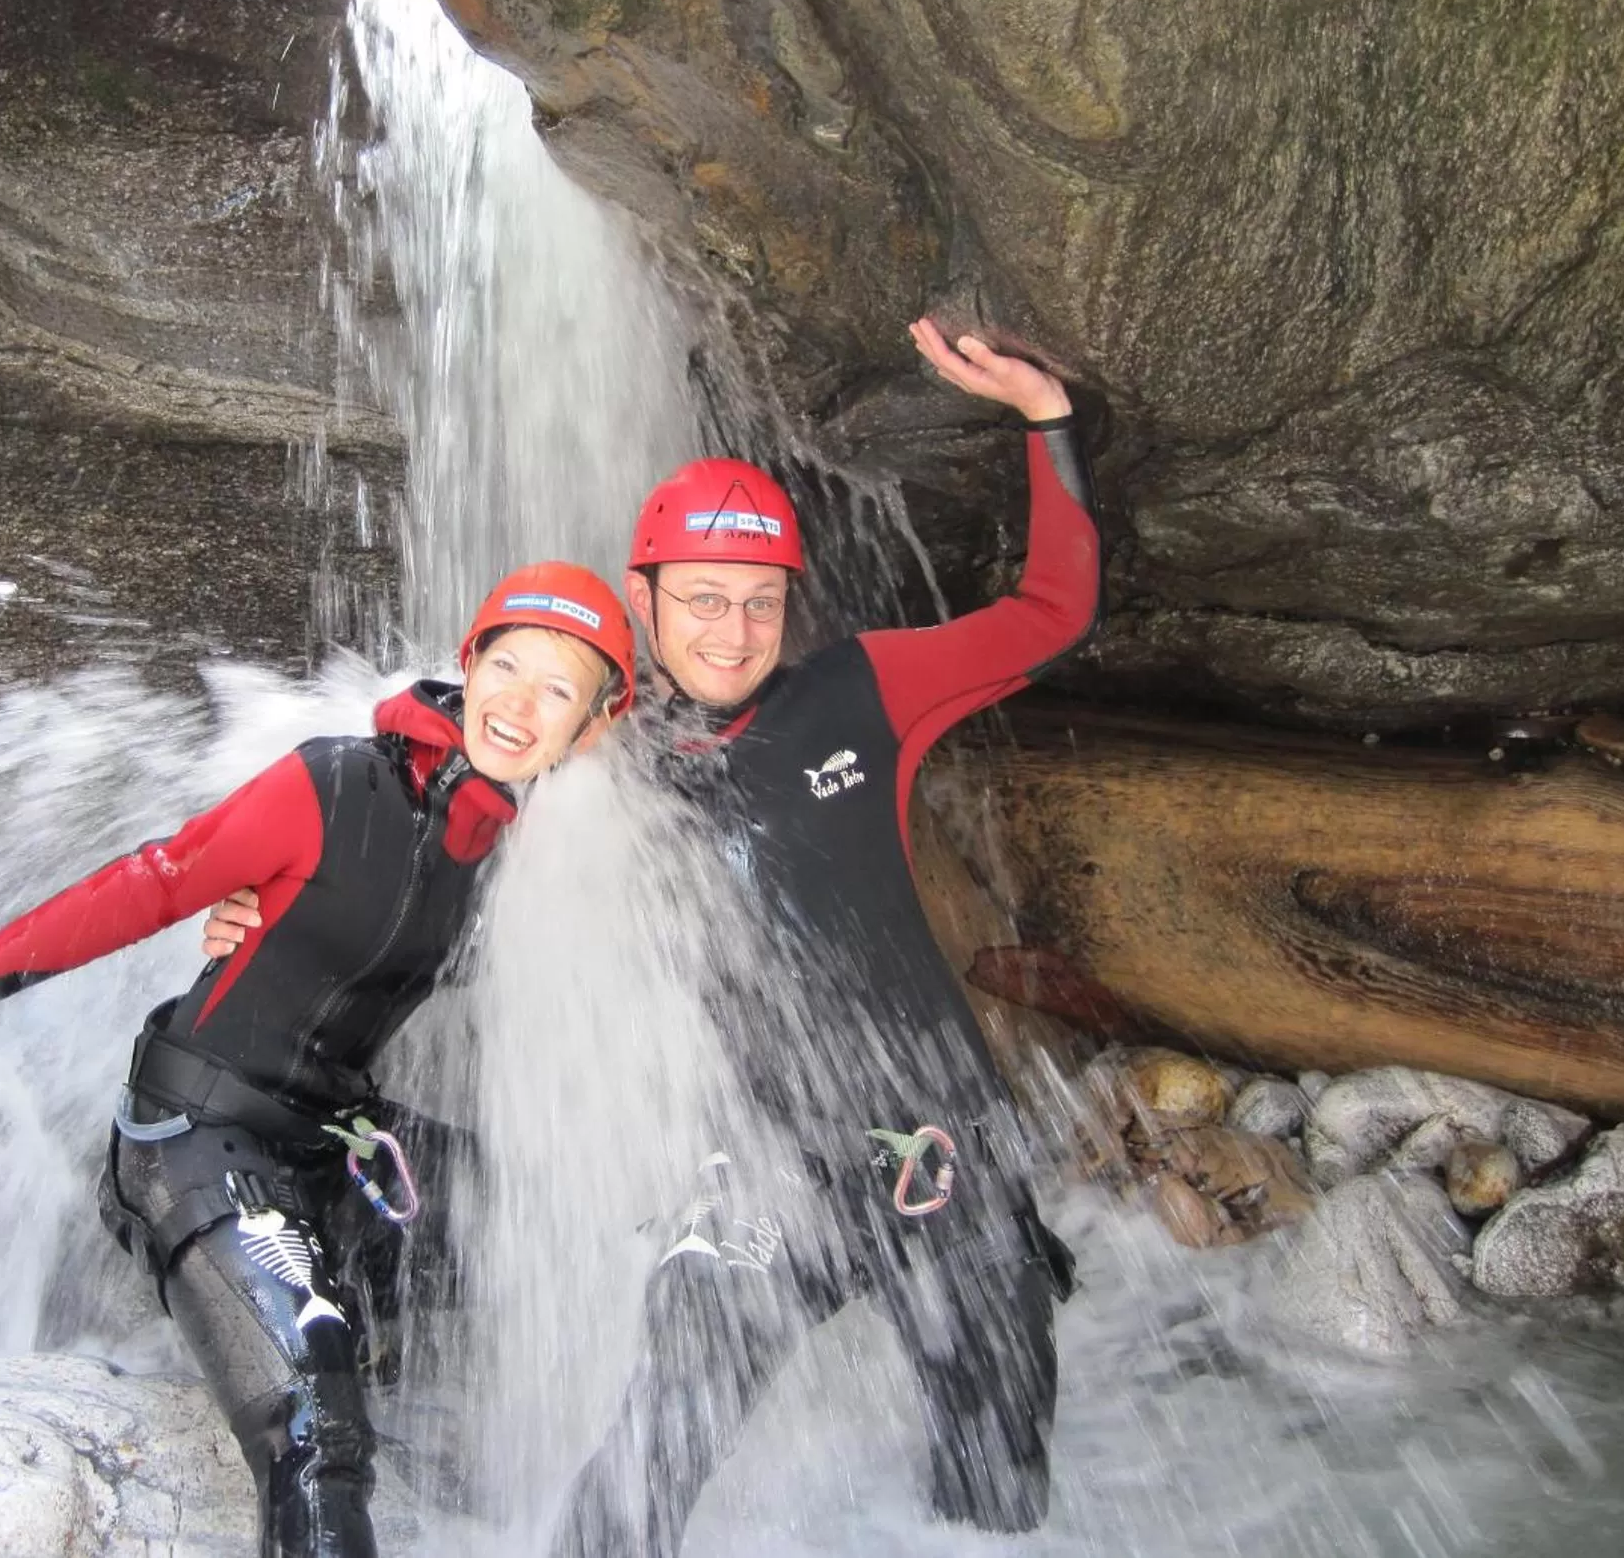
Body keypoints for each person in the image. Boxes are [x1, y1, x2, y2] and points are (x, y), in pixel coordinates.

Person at [202, 318, 1099, 1547]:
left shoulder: (863, 693)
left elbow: (1051, 611)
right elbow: (400, 822)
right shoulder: (592, 757)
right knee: (650, 1451)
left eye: (757, 601)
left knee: (995, 1481)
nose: (730, 631)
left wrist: (1045, 419)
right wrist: (262, 896)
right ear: (643, 599)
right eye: (701, 601)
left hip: (949, 1144)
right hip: (772, 1168)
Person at [0, 561, 636, 1558]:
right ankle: (313, 1360)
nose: (518, 703)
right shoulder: (332, 782)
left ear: (590, 728)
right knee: (317, 1429)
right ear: (468, 662)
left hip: (326, 1143)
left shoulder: (504, 849)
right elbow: (155, 880)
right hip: (198, 1133)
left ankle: (350, 1327)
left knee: (536, 1214)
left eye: (557, 690)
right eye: (507, 665)